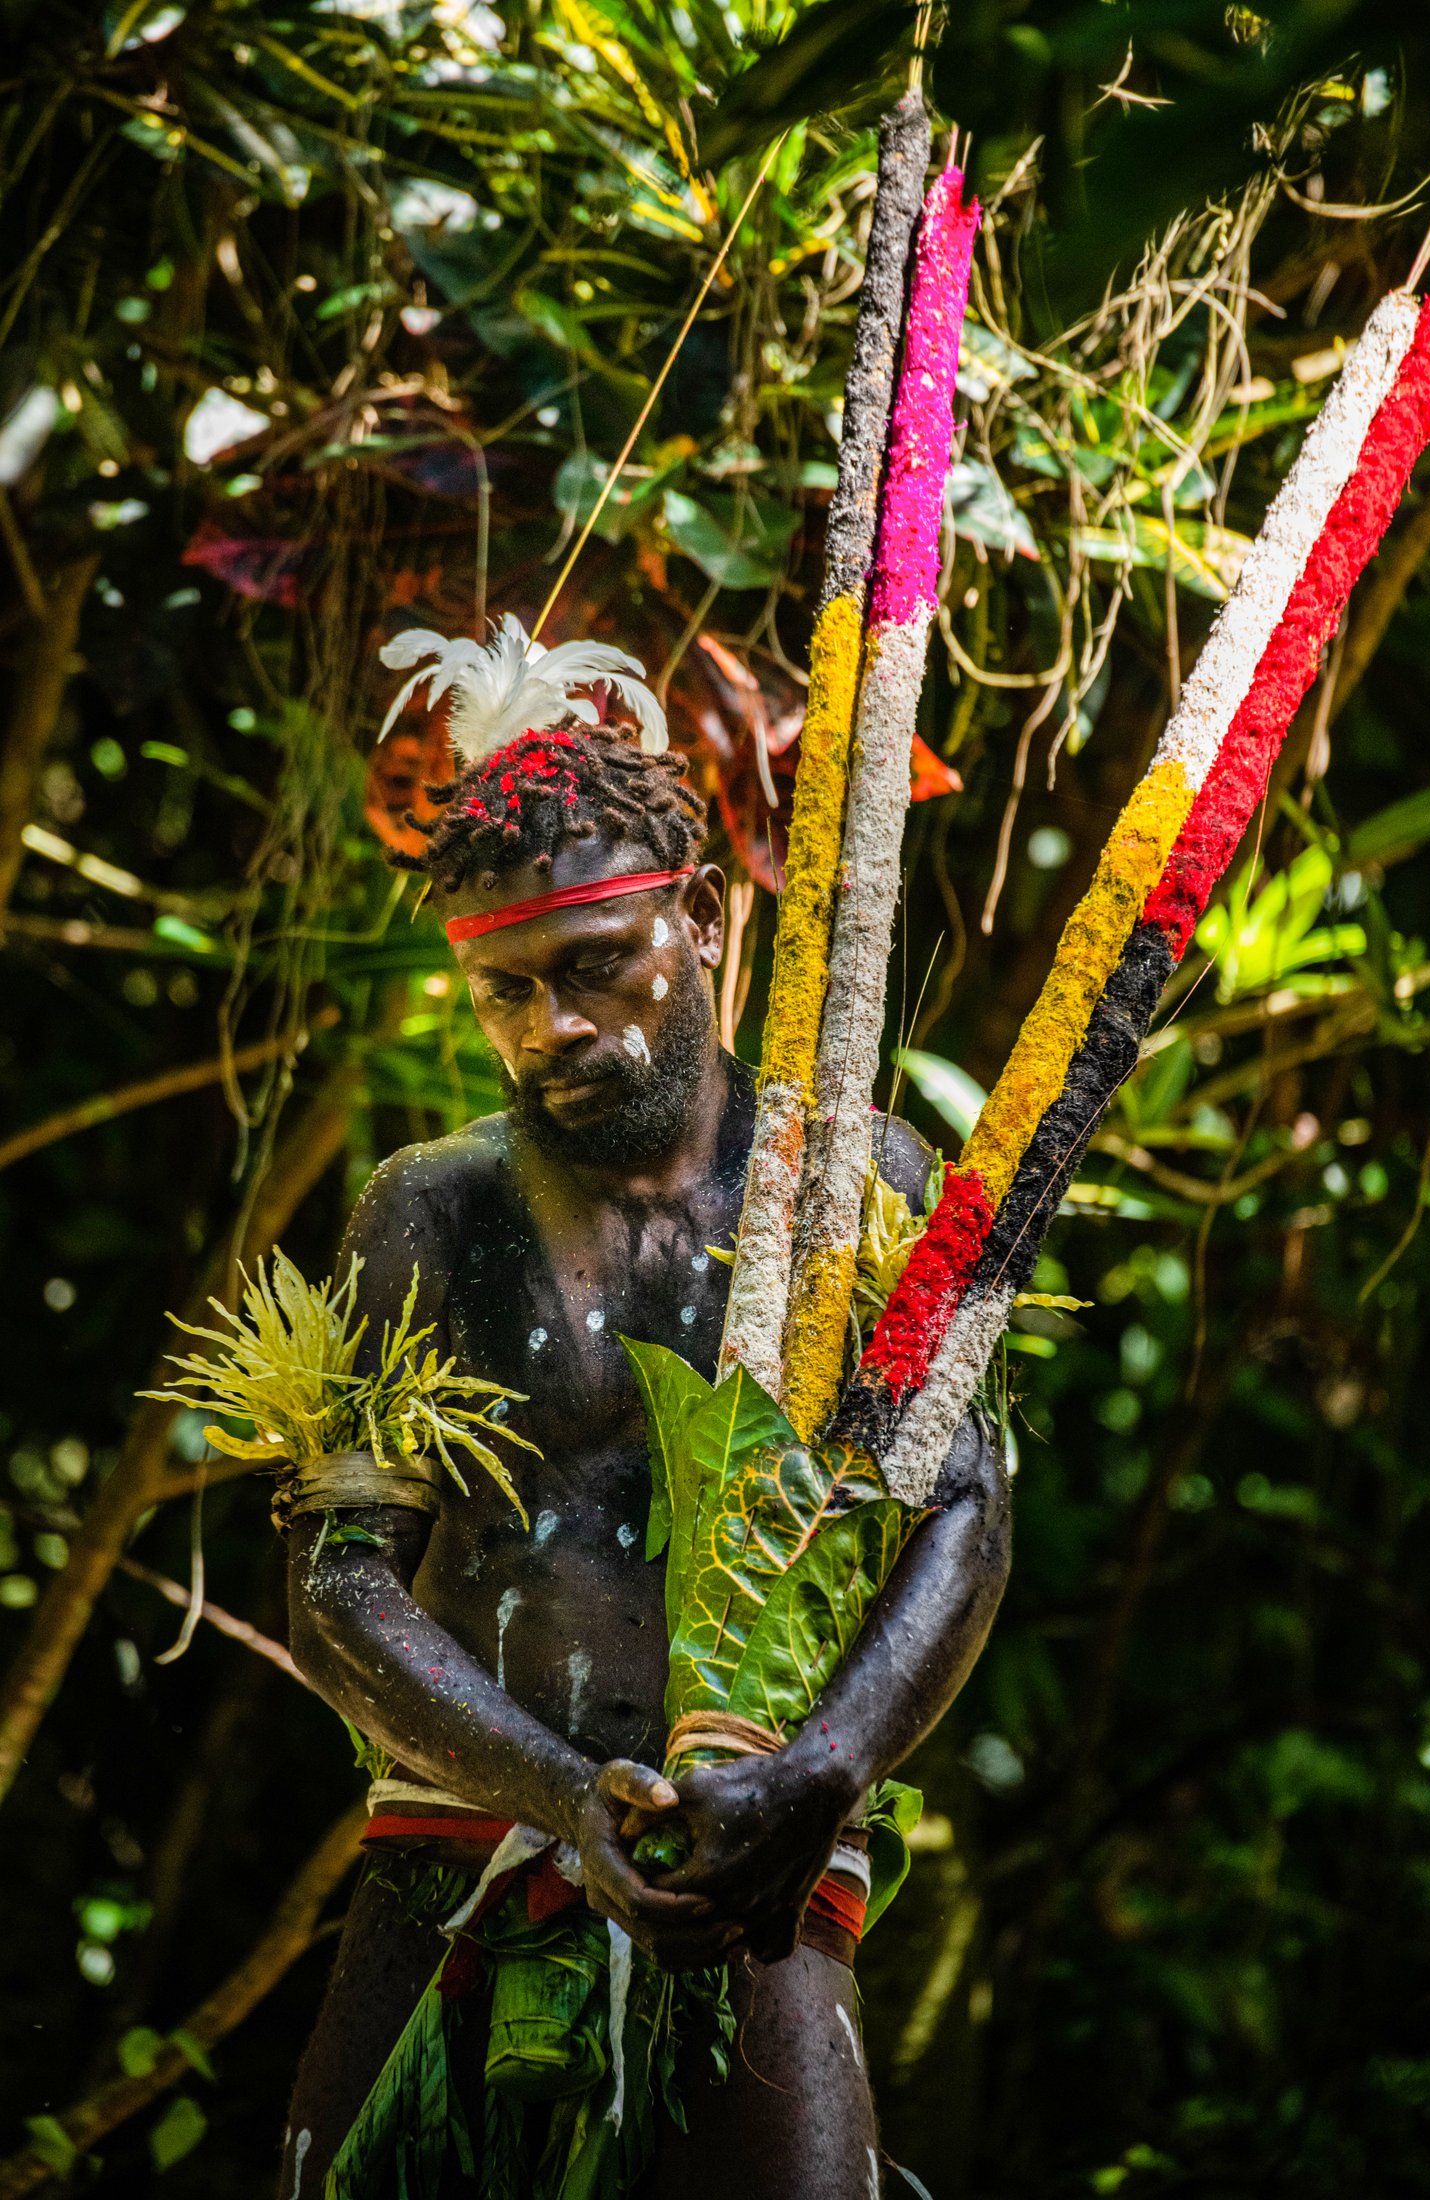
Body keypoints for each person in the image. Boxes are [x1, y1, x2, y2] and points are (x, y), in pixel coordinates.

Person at [279, 629, 1012, 2199]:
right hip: (451, 1838)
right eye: (505, 991)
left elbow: (962, 1511)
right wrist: (557, 1795)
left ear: (700, 914)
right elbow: (338, 1579)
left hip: (753, 1849)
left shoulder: (854, 1192)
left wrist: (814, 1775)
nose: (552, 1026)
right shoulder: (429, 1211)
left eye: (597, 963)